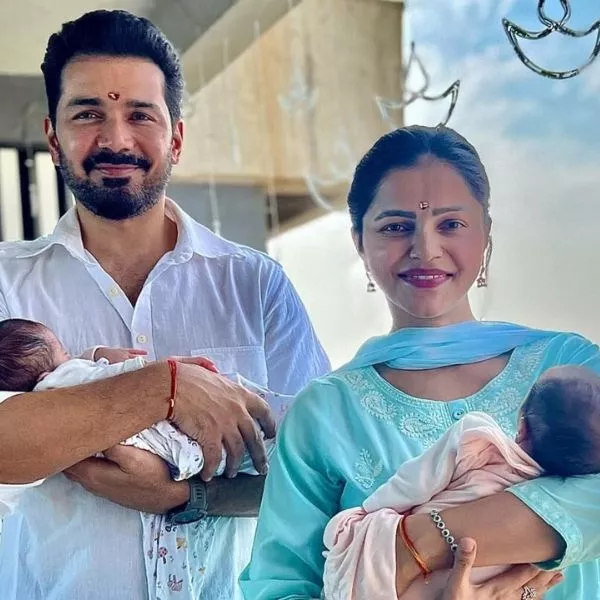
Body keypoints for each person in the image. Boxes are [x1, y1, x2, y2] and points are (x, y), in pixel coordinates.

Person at [0, 9, 329, 600]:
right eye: (88, 114)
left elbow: (320, 474)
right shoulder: (6, 280)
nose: (116, 140)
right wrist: (165, 388)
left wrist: (186, 496)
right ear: (53, 138)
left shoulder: (255, 285)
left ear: (175, 136)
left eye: (140, 115)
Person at [239, 125, 600, 600]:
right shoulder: (324, 414)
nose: (425, 249)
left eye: (450, 225)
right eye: (396, 227)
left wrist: (418, 545)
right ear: (359, 241)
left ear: (485, 234)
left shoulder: (569, 366)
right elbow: (279, 587)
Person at [0, 317, 294, 599]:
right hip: (181, 446)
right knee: (267, 430)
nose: (71, 356)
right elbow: (100, 375)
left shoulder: (261, 287)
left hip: (212, 566)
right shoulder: (66, 375)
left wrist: (184, 495)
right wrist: (164, 379)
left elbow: (310, 488)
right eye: (65, 352)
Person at [321, 365, 600, 599]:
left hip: (379, 566)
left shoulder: (480, 440)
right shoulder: (556, 516)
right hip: (444, 586)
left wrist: (373, 509)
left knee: (351, 530)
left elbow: (416, 481)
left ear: (522, 424)